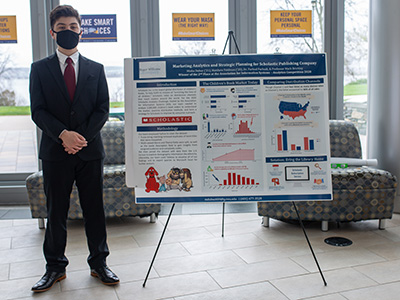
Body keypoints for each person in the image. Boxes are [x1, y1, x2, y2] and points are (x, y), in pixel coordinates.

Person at [29, 5, 119, 293]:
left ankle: (99, 263)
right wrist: (62, 135)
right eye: (62, 27)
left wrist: (79, 138)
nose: (68, 32)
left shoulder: (96, 69)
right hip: (55, 153)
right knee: (57, 211)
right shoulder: (39, 69)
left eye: (73, 27)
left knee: (95, 209)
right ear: (52, 31)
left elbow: (102, 109)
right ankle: (54, 267)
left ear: (81, 30)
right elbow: (38, 111)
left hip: (90, 152)